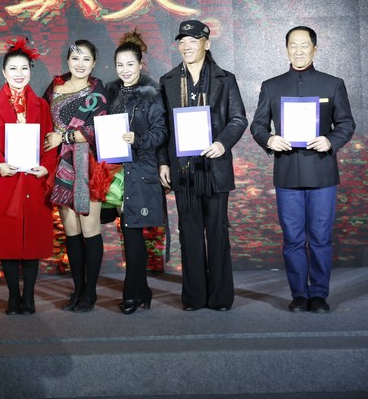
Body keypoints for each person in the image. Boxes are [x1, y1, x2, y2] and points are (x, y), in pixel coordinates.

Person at [250, 26, 355, 313]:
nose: (298, 51)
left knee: (320, 238)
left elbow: (346, 123)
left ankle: (319, 294)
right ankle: (299, 294)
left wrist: (330, 140)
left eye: (304, 45)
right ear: (286, 49)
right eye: (293, 45)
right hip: (287, 174)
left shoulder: (333, 84)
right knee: (293, 239)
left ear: (315, 49)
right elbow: (258, 125)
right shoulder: (271, 86)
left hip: (322, 173)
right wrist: (269, 139)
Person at [157, 20, 247, 311]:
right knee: (189, 234)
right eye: (182, 41)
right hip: (183, 169)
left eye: (193, 41)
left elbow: (238, 119)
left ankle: (220, 297)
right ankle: (194, 296)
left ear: (206, 44)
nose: (186, 46)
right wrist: (163, 163)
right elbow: (163, 126)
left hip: (214, 168)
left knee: (217, 232)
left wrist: (222, 143)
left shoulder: (225, 79)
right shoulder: (168, 80)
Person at [0, 38, 57, 314]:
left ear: (30, 71)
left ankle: (29, 296)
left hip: (34, 180)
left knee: (32, 241)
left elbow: (49, 142)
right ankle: (13, 296)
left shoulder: (42, 106)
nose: (19, 74)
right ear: (4, 72)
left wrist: (47, 166)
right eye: (13, 68)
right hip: (5, 179)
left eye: (24, 68)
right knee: (8, 241)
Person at [43, 39, 111, 312]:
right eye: (75, 58)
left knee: (89, 228)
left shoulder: (98, 91)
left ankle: (90, 293)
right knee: (71, 231)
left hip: (88, 166)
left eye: (86, 59)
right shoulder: (54, 88)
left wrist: (64, 137)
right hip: (61, 166)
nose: (80, 64)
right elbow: (44, 122)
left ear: (94, 63)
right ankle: (78, 289)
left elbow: (98, 129)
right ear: (68, 61)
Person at [105, 32, 167, 314]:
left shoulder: (152, 93)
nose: (125, 70)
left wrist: (137, 139)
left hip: (141, 171)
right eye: (120, 65)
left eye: (130, 64)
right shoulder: (111, 92)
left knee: (132, 232)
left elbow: (161, 132)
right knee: (129, 232)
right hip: (117, 172)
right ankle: (141, 291)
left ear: (141, 64)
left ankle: (133, 293)